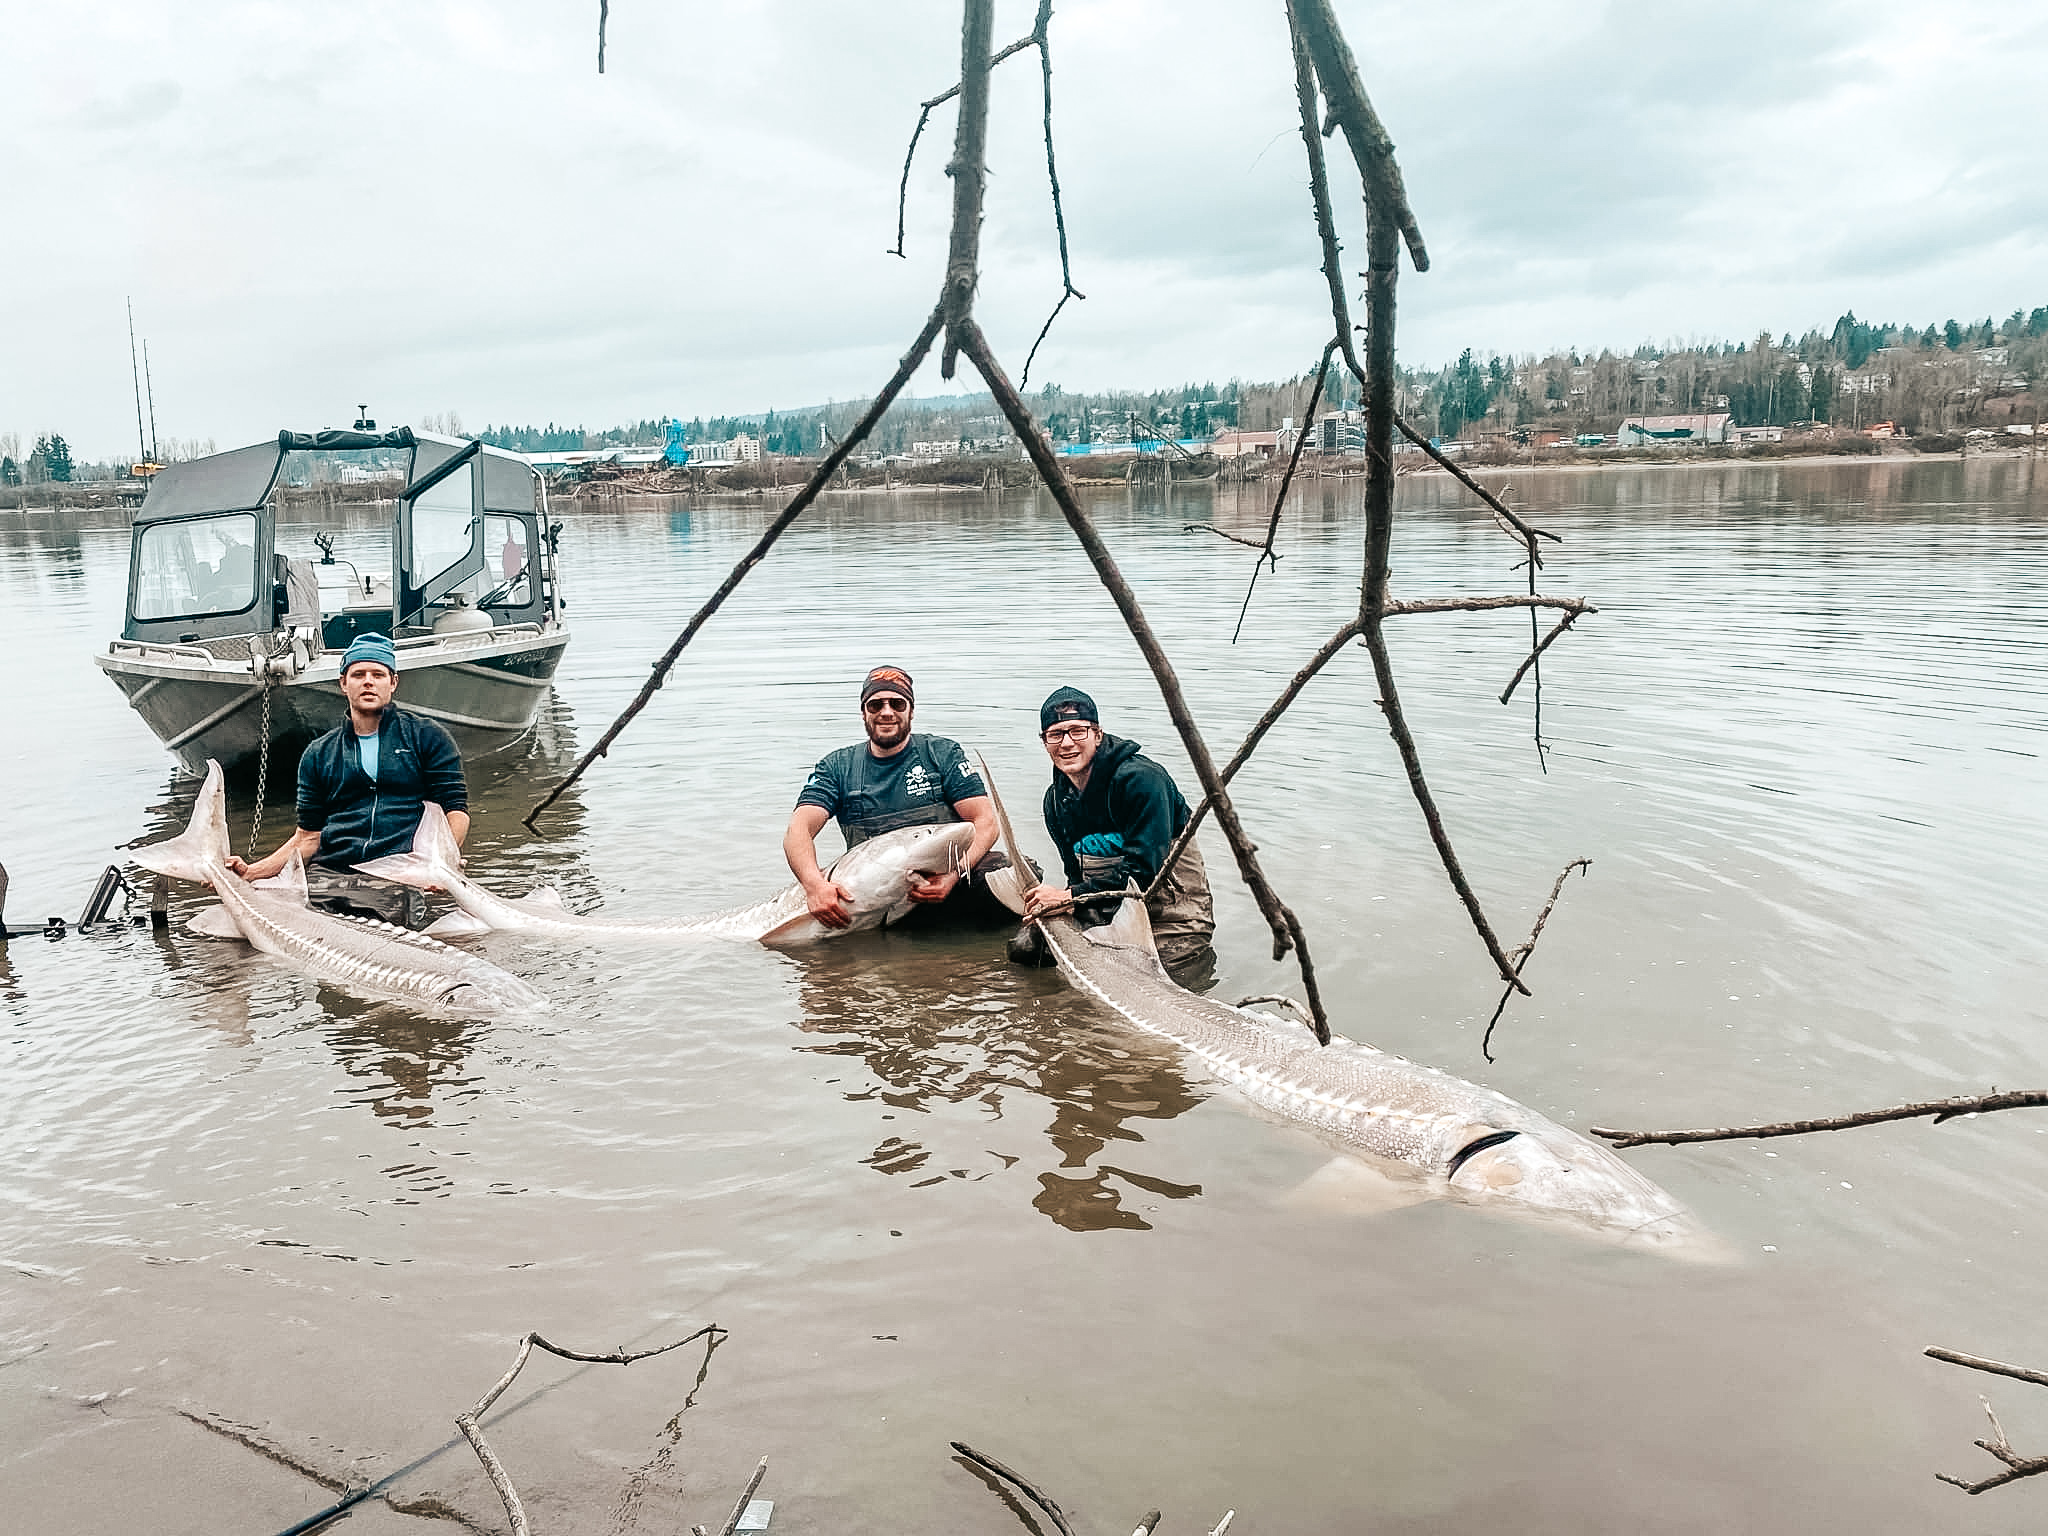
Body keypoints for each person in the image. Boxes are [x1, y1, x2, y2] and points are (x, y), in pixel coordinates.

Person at [228, 633, 468, 923]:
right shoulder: (318, 753)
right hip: (328, 873)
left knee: (388, 928)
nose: (368, 682)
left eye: (378, 674)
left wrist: (442, 863)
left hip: (396, 873)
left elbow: (456, 810)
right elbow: (307, 838)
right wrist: (251, 871)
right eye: (358, 675)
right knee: (252, 917)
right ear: (343, 683)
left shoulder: (428, 737)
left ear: (393, 683)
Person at [783, 665, 1006, 930]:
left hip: (946, 883)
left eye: (897, 703)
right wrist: (814, 886)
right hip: (879, 894)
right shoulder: (837, 767)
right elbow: (798, 830)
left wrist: (955, 874)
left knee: (1007, 872)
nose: (887, 712)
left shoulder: (941, 754)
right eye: (875, 705)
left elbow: (986, 822)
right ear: (863, 713)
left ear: (911, 710)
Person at [1023, 685, 1216, 975]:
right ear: (1044, 741)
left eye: (1078, 731)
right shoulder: (1054, 801)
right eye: (1056, 734)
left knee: (1141, 976)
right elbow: (1074, 874)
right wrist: (1065, 904)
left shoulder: (1142, 781)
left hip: (1171, 918)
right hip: (1105, 909)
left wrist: (1069, 897)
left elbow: (1144, 872)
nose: (1067, 743)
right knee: (1027, 949)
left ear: (1097, 735)